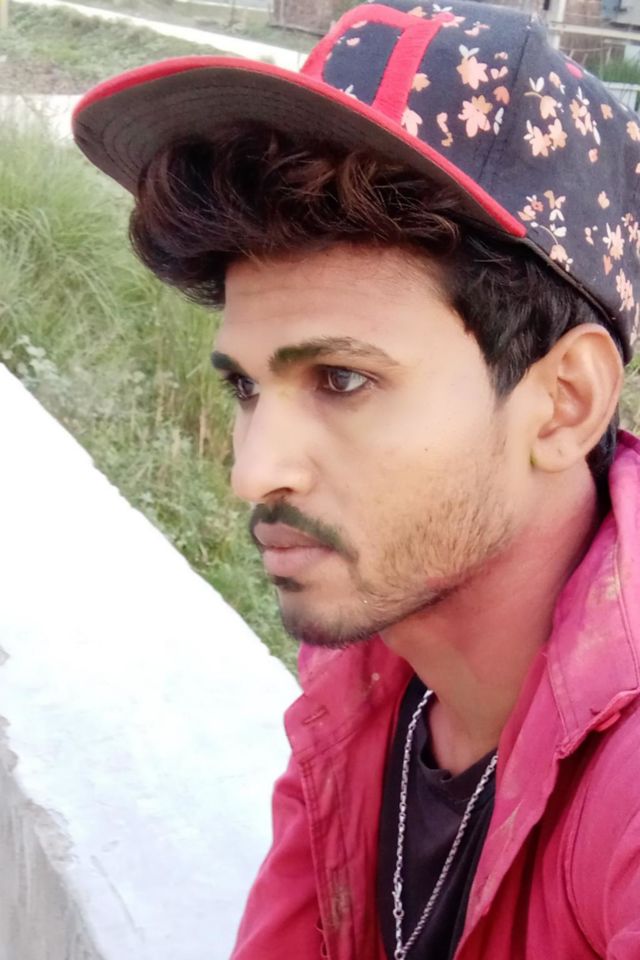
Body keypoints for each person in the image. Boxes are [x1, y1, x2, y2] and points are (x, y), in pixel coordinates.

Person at [72, 1, 640, 957]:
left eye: (342, 380)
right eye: (247, 388)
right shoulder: (366, 688)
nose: (254, 473)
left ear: (564, 403)